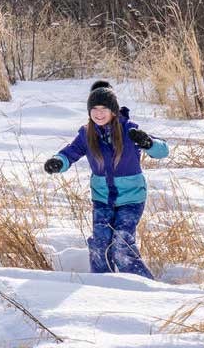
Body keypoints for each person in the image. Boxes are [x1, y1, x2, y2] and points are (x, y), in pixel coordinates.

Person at [42, 81, 172, 279]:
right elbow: (71, 152)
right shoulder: (87, 134)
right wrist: (58, 162)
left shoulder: (129, 130)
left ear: (113, 110)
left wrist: (148, 143)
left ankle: (144, 286)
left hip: (131, 198)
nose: (99, 113)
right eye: (94, 109)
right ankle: (103, 286)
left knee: (121, 244)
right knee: (101, 245)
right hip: (102, 198)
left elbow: (163, 151)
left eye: (104, 109)